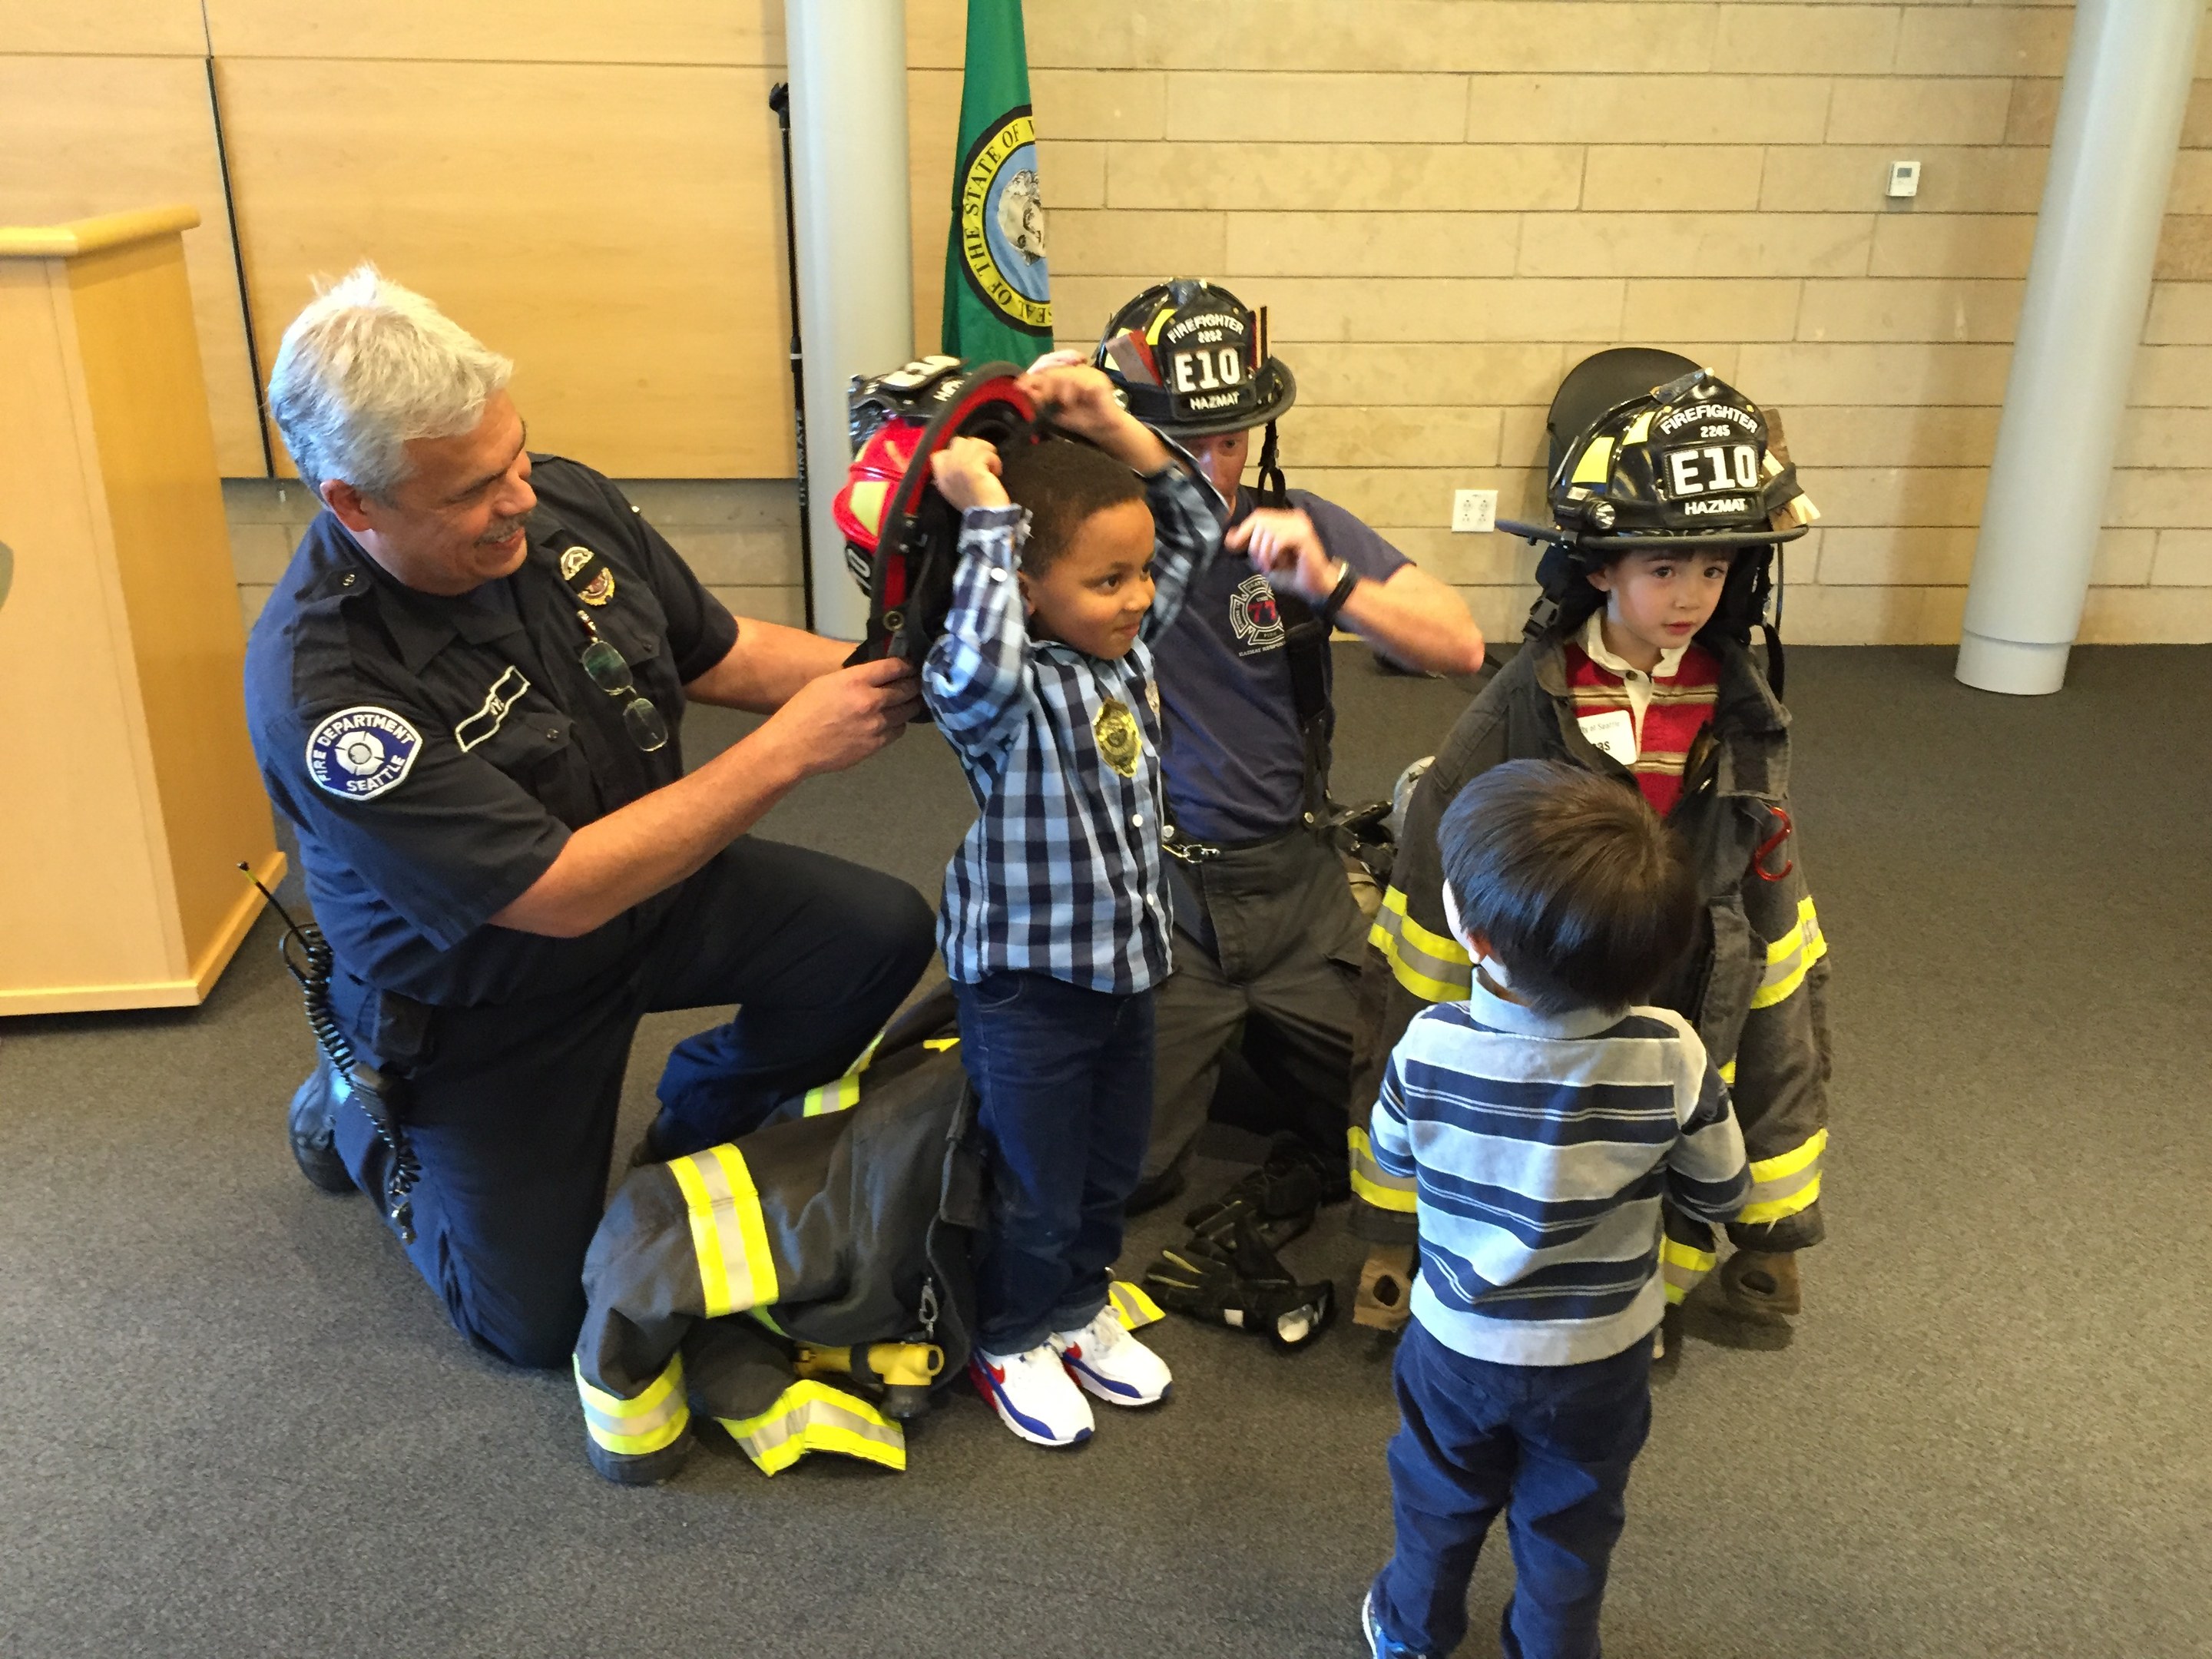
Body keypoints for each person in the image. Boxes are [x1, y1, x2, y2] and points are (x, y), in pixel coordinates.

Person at [243, 267, 933, 1369]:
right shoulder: (326, 688)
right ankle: (356, 1111)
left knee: (879, 933)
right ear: (355, 503)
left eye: (515, 456)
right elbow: (555, 895)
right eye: (473, 490)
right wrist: (791, 749)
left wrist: (923, 678)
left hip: (654, 886)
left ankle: (693, 1134)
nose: (519, 498)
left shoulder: (560, 503)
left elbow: (724, 653)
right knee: (535, 1328)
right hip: (486, 990)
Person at [1359, 366, 1832, 1326]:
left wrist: (1775, 1224)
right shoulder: (1525, 709)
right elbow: (1422, 958)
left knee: (1678, 1107)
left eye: (1715, 570)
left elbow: (1783, 987)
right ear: (1599, 568)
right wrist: (1390, 1223)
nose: (1691, 596)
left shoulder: (1741, 715)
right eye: (1663, 569)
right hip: (1550, 981)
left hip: (1690, 979)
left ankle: (1651, 1284)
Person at [1066, 279, 1486, 1211]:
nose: (1212, 467)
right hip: (1155, 894)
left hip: (1296, 880)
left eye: (1230, 441)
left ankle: (1251, 1034)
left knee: (1400, 1140)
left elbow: (1459, 646)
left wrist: (1330, 582)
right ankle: (1215, 1035)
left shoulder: (1297, 525)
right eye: (1183, 444)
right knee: (1122, 1176)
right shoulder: (1086, 552)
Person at [1362, 760, 1748, 1659]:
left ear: (1475, 938)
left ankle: (1412, 1633)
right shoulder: (1672, 1052)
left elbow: (1390, 1156)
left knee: (1438, 1498)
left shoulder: (1430, 1046)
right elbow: (1722, 1191)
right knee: (1572, 1523)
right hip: (1601, 1354)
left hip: (1456, 1342)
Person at [922, 363, 1219, 1449]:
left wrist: (1113, 424)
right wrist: (987, 520)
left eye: (1137, 576)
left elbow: (1196, 524)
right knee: (1037, 1182)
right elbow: (976, 667)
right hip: (1029, 987)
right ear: (1027, 586)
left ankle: (1078, 1308)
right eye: (1107, 581)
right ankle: (1010, 1336)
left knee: (1108, 1170)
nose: (1137, 597)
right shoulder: (999, 692)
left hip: (1125, 968)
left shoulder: (1120, 652)